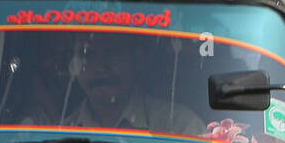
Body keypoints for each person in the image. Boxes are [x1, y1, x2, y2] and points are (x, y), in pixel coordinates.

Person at [68, 34, 202, 134]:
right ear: (72, 65)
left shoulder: (180, 126)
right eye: (87, 55)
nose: (100, 68)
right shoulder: (62, 131)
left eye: (113, 53)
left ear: (138, 60)